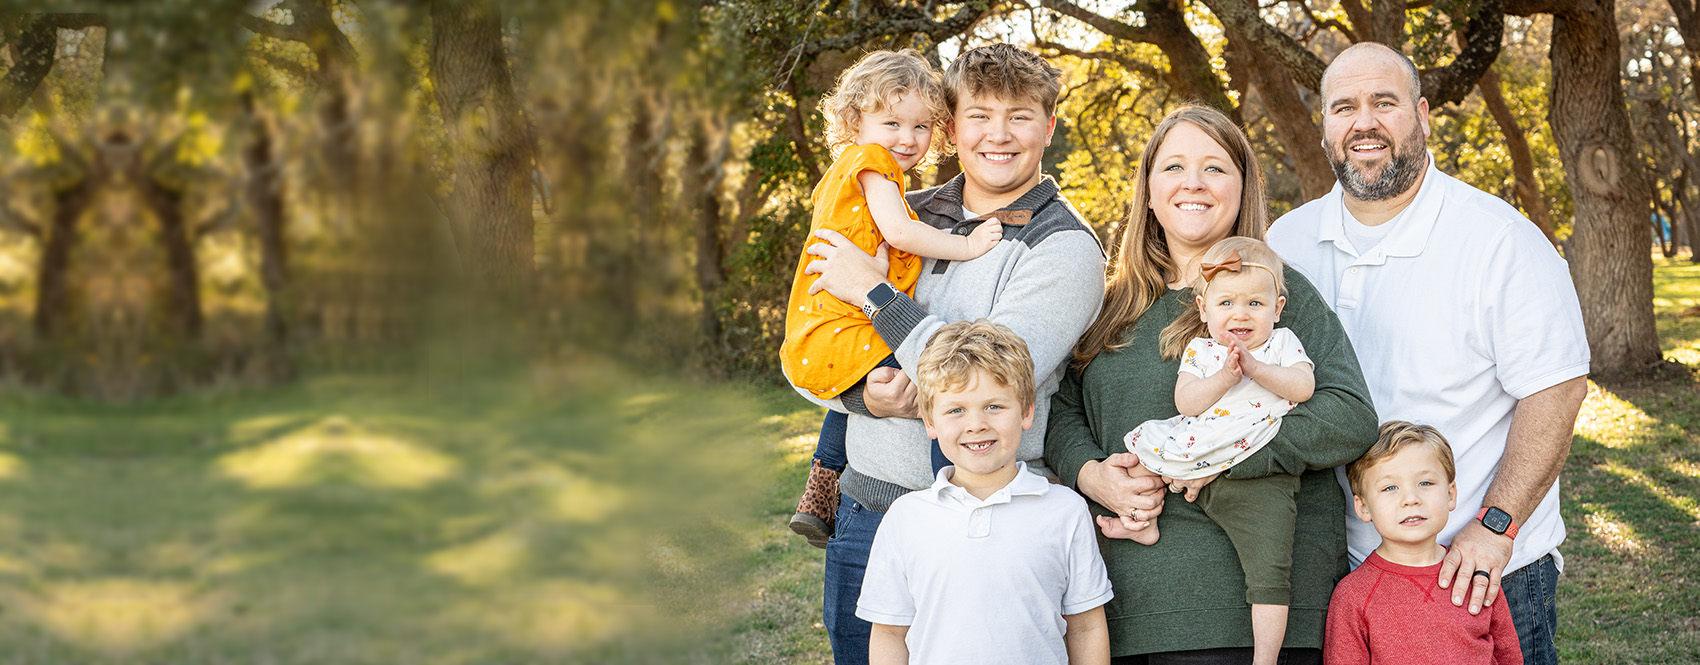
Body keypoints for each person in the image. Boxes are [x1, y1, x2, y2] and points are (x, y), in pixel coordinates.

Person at [1266, 43, 1588, 665]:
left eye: (1384, 103)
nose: (1364, 122)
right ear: (1326, 125)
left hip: (1477, 570)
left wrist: (1496, 527)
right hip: (1344, 571)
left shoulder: (1499, 240)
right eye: (1344, 107)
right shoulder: (1288, 241)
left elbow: (1557, 390)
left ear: (1421, 114)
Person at [798, 43, 1107, 665]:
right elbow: (812, 345)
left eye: (1019, 116)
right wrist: (862, 396)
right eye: (979, 115)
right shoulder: (899, 214)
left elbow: (992, 374)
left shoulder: (1065, 249)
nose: (998, 135)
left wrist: (876, 294)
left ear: (1048, 127)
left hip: (992, 528)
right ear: (951, 127)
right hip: (870, 513)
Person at [1044, 104, 1379, 663]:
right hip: (1125, 608)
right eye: (1173, 167)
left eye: (1215, 168)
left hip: (1252, 614)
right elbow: (1058, 412)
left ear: (1242, 188)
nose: (1193, 183)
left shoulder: (1269, 295)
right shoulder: (1111, 304)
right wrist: (1094, 475)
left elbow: (1349, 417)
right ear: (1148, 191)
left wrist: (1213, 458)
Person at [780, 49, 1004, 547]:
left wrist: (874, 272)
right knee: (942, 378)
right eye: (892, 122)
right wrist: (966, 245)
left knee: (874, 376)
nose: (908, 138)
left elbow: (863, 238)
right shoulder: (873, 162)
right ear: (856, 121)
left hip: (827, 318)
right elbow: (900, 231)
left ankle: (822, 484)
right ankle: (956, 491)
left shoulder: (845, 171)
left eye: (922, 127)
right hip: (844, 313)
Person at [858, 319, 1113, 665]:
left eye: (993, 406)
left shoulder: (1065, 511)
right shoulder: (906, 518)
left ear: (1026, 411)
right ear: (930, 421)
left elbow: (1086, 627)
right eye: (956, 410)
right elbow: (889, 634)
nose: (976, 424)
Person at [1111, 237, 1316, 665]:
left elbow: (1303, 387)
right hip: (1198, 449)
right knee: (1143, 456)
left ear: (1277, 309)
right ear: (1203, 309)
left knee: (1270, 571)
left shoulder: (1281, 344)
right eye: (1225, 304)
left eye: (1255, 305)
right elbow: (1187, 402)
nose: (1240, 314)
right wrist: (1224, 377)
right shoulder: (1202, 350)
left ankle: (1265, 657)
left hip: (1258, 471)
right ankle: (1139, 522)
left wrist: (1255, 368)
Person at [1325, 421, 1522, 665]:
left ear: (1450, 494)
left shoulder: (1474, 574)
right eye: (1390, 487)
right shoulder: (1353, 596)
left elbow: (1509, 656)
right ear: (1363, 507)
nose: (1410, 499)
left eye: (1425, 483)